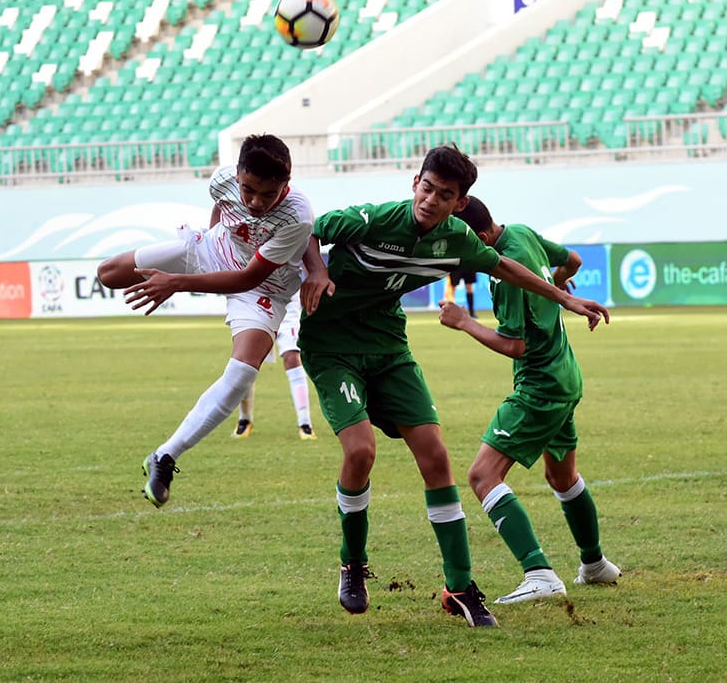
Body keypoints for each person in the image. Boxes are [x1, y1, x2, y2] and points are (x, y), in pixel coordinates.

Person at [297, 144, 609, 626]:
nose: (430, 200)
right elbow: (307, 229)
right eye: (426, 188)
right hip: (333, 347)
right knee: (360, 452)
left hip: (388, 348)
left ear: (460, 202)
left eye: (444, 194)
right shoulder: (374, 218)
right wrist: (316, 270)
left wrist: (565, 300)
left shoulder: (458, 238)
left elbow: (504, 266)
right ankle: (353, 564)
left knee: (438, 456)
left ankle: (460, 587)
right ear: (413, 183)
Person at [96, 134, 314, 508]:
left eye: (268, 194)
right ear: (238, 175)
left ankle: (165, 456)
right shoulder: (222, 179)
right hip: (211, 250)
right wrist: (209, 239)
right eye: (249, 190)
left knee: (244, 372)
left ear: (286, 184)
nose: (256, 202)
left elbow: (248, 278)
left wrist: (178, 283)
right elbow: (223, 206)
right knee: (109, 273)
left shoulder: (297, 214)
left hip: (263, 287)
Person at [440, 195, 620, 605]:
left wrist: (465, 322)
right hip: (566, 376)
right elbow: (572, 260)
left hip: (539, 385)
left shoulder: (503, 276)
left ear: (480, 237)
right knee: (562, 477)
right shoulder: (520, 231)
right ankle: (594, 564)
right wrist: (556, 284)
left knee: (482, 476)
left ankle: (539, 573)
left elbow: (516, 345)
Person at [231, 294, 318, 440]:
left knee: (292, 357)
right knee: (247, 362)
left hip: (287, 299)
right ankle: (245, 419)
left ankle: (305, 423)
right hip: (256, 301)